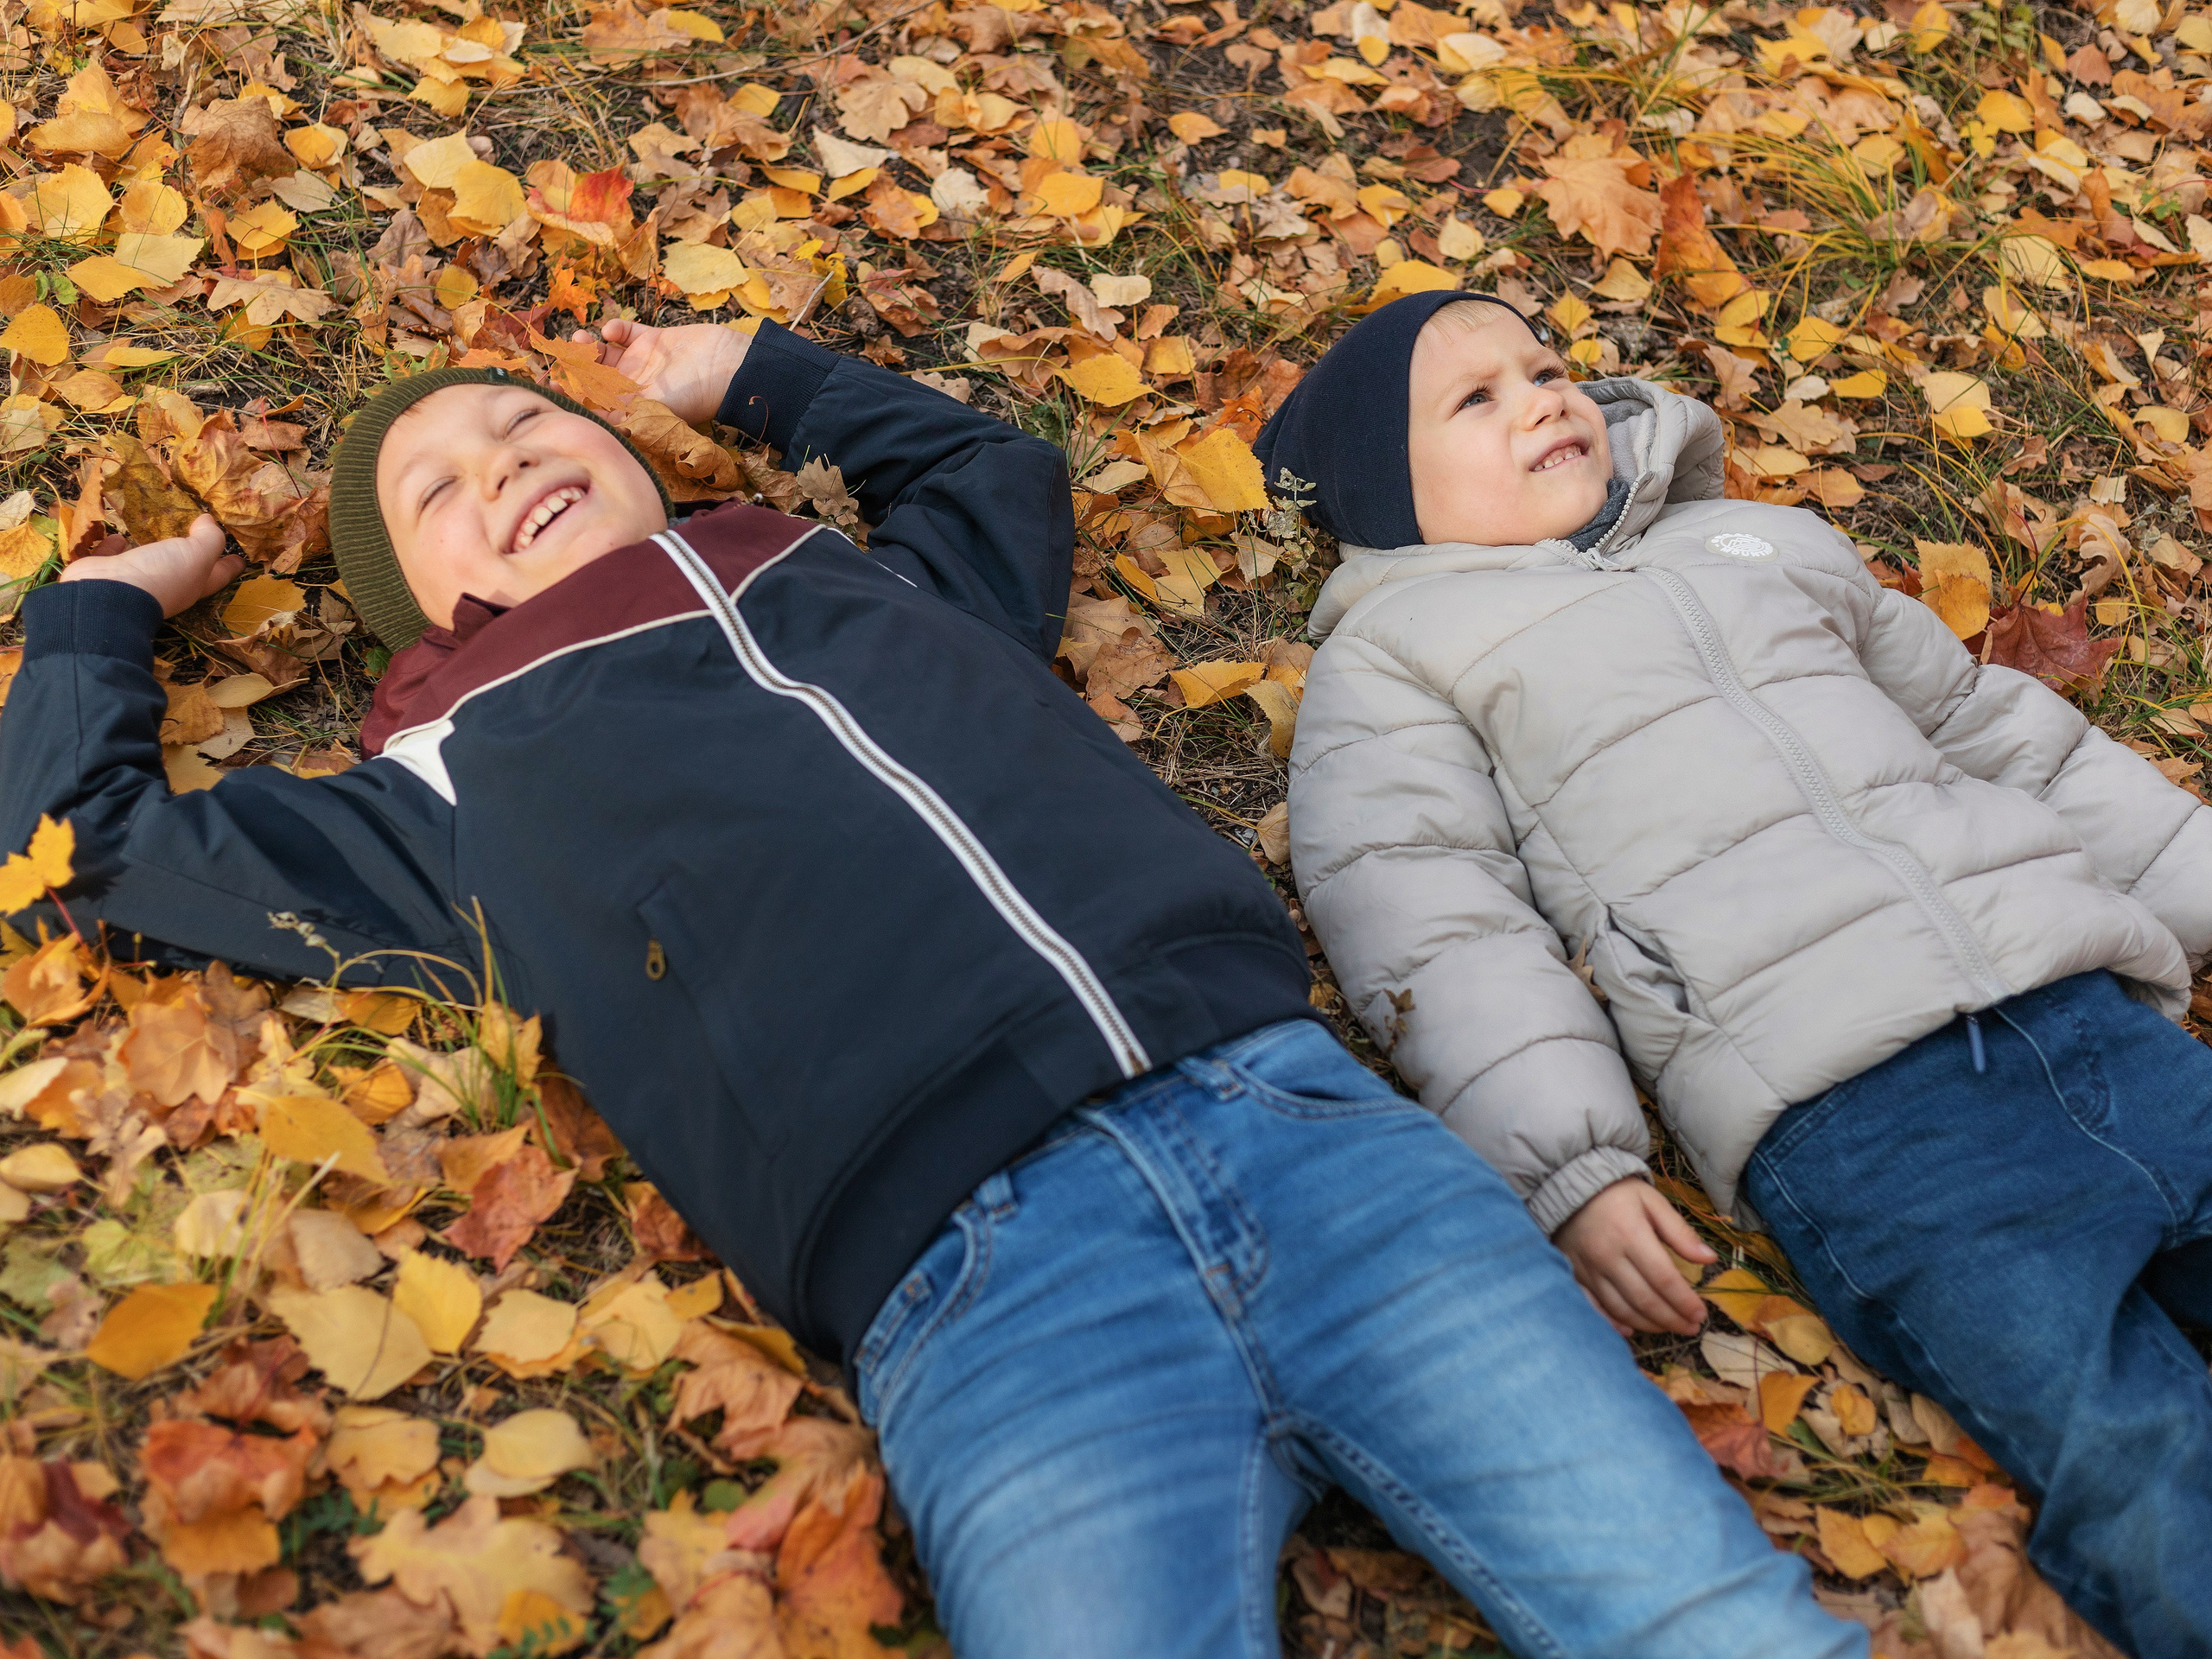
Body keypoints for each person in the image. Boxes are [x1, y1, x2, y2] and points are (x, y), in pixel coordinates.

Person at [0, 318, 1862, 1659]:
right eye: (442, 488)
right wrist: (99, 606)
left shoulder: (859, 582)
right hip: (976, 1292)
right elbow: (82, 856)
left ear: (643, 462)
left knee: (1698, 1615)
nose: (505, 469)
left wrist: (752, 372)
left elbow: (984, 467)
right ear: (420, 602)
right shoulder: (439, 789)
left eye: (524, 422)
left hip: (1312, 1142)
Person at [1265, 288, 2212, 1659]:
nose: (1544, 396)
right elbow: (1435, 919)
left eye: (1545, 365)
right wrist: (1571, 1161)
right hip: (1866, 1118)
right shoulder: (1401, 660)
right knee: (2124, 1437)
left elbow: (2000, 735)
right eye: (1475, 399)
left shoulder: (1759, 544)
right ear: (1380, 493)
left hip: (2087, 1006)